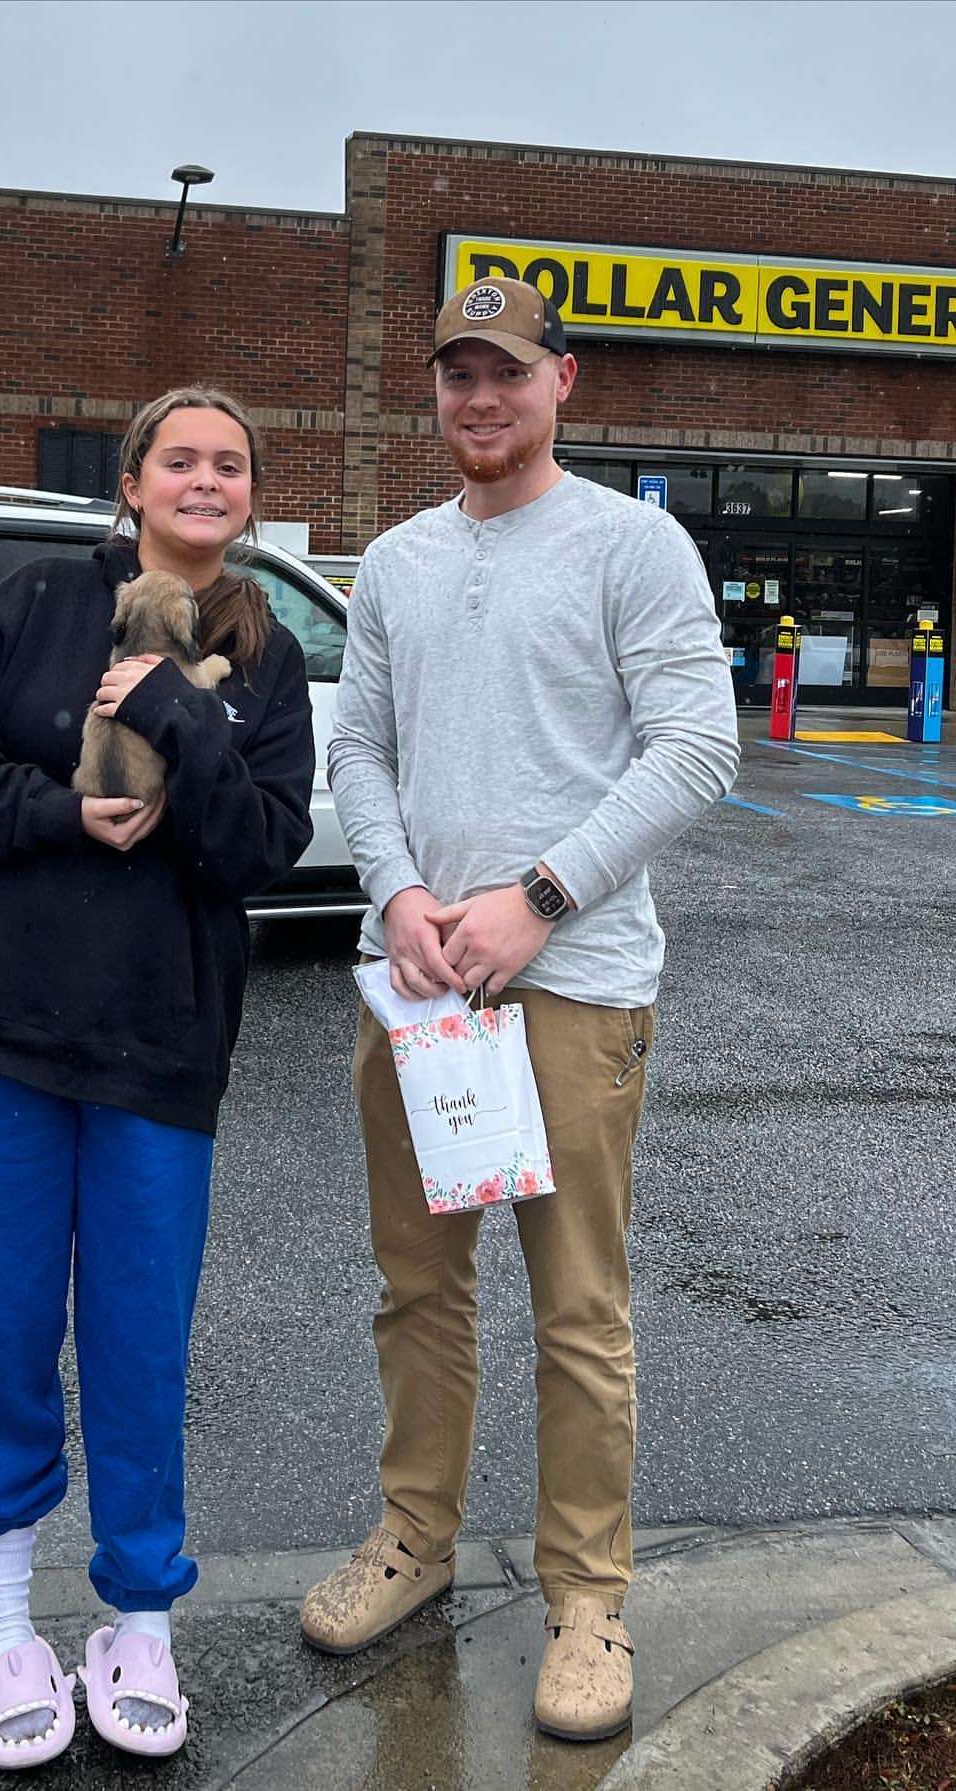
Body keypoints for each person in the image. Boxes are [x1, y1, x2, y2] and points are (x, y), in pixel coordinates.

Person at [301, 277, 739, 1742]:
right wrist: (403, 890)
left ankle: (588, 1602)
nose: (479, 401)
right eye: (455, 377)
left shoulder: (633, 546)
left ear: (565, 380)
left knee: (580, 1309)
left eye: (507, 373)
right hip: (423, 991)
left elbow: (695, 749)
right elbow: (358, 743)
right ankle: (414, 1541)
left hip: (572, 990)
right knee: (417, 1290)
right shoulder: (401, 564)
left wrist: (536, 898)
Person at [0, 387, 315, 1769]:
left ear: (248, 496)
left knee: (136, 1341)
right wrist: (62, 812)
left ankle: (138, 1624)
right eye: (180, 457)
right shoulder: (35, 609)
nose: (205, 479)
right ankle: (6, 1632)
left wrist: (181, 711)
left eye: (229, 464)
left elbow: (260, 850)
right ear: (130, 484)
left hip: (158, 1044)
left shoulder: (268, 652)